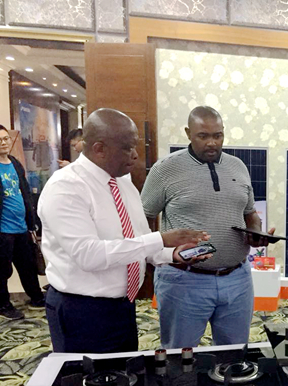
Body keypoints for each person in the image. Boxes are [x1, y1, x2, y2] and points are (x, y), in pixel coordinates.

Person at [38, 109, 210, 353]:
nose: (136, 155)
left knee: (125, 373)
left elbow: (138, 241)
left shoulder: (123, 182)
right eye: (128, 148)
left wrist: (172, 254)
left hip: (123, 306)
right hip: (82, 311)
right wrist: (160, 239)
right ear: (99, 149)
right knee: (87, 377)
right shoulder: (66, 187)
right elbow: (89, 255)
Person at [141, 106, 273, 349]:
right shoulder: (165, 169)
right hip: (183, 280)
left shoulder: (238, 166)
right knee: (180, 355)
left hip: (237, 279)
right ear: (188, 133)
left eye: (217, 135)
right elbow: (143, 217)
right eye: (203, 136)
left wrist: (257, 233)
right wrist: (156, 256)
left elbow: (249, 212)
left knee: (234, 355)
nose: (212, 143)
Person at [0, 125, 45, 320]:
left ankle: (36, 297)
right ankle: (3, 305)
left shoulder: (15, 163)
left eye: (5, 139)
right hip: (3, 230)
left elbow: (24, 192)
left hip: (21, 226)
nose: (4, 143)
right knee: (2, 270)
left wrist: (32, 221)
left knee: (28, 265)